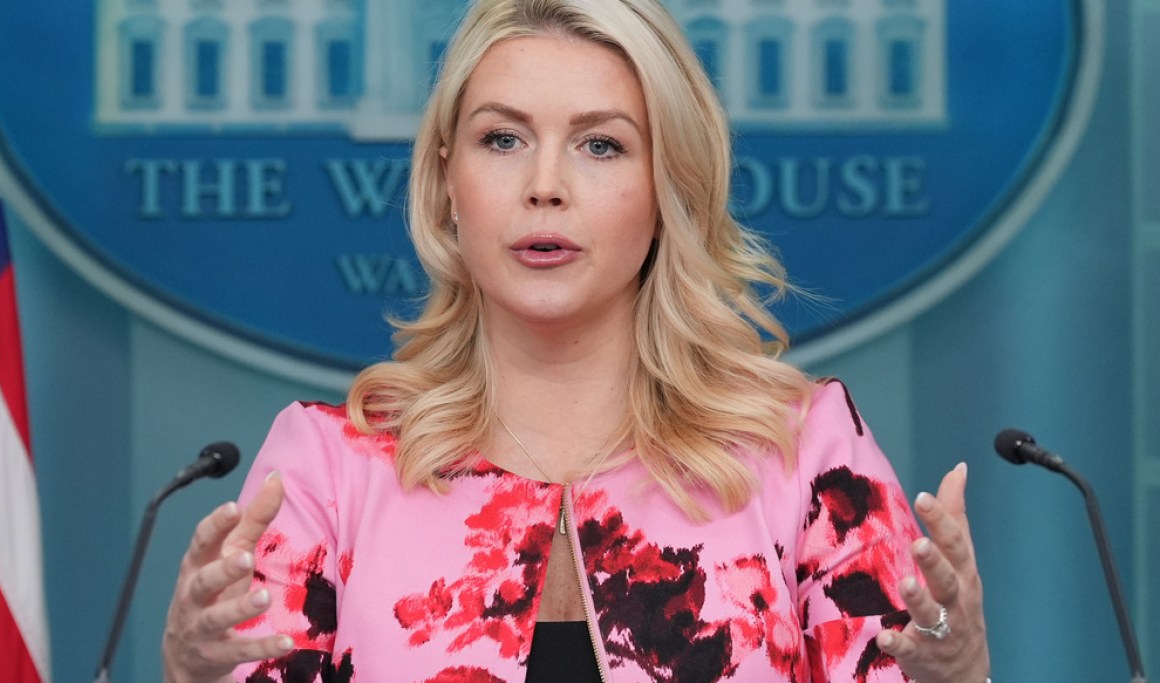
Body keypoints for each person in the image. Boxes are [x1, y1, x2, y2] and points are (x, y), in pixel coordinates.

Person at [163, 0, 991, 681]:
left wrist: (957, 675)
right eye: (503, 139)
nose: (545, 186)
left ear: (667, 186)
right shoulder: (327, 471)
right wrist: (191, 676)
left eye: (601, 145)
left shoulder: (802, 455)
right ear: (447, 178)